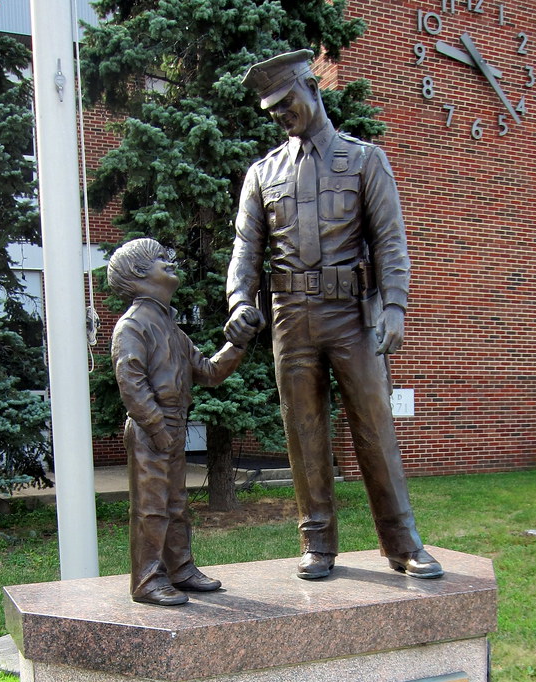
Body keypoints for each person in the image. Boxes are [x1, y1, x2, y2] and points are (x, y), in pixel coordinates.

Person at [225, 49, 443, 581]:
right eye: (273, 110)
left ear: (312, 88)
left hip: (351, 315)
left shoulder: (364, 160)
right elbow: (245, 249)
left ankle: (402, 541)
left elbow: (390, 240)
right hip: (289, 316)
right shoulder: (262, 174)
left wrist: (393, 305)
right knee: (303, 431)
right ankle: (317, 541)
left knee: (374, 425)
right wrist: (239, 302)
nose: (282, 115)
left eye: (287, 102)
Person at [108, 238, 254, 606]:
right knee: (151, 507)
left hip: (172, 427)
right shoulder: (133, 325)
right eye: (160, 259)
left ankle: (180, 569)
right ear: (139, 276)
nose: (170, 262)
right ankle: (147, 580)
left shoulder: (172, 329)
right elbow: (131, 382)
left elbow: (208, 371)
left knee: (176, 504)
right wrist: (157, 427)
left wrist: (237, 344)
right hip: (150, 429)